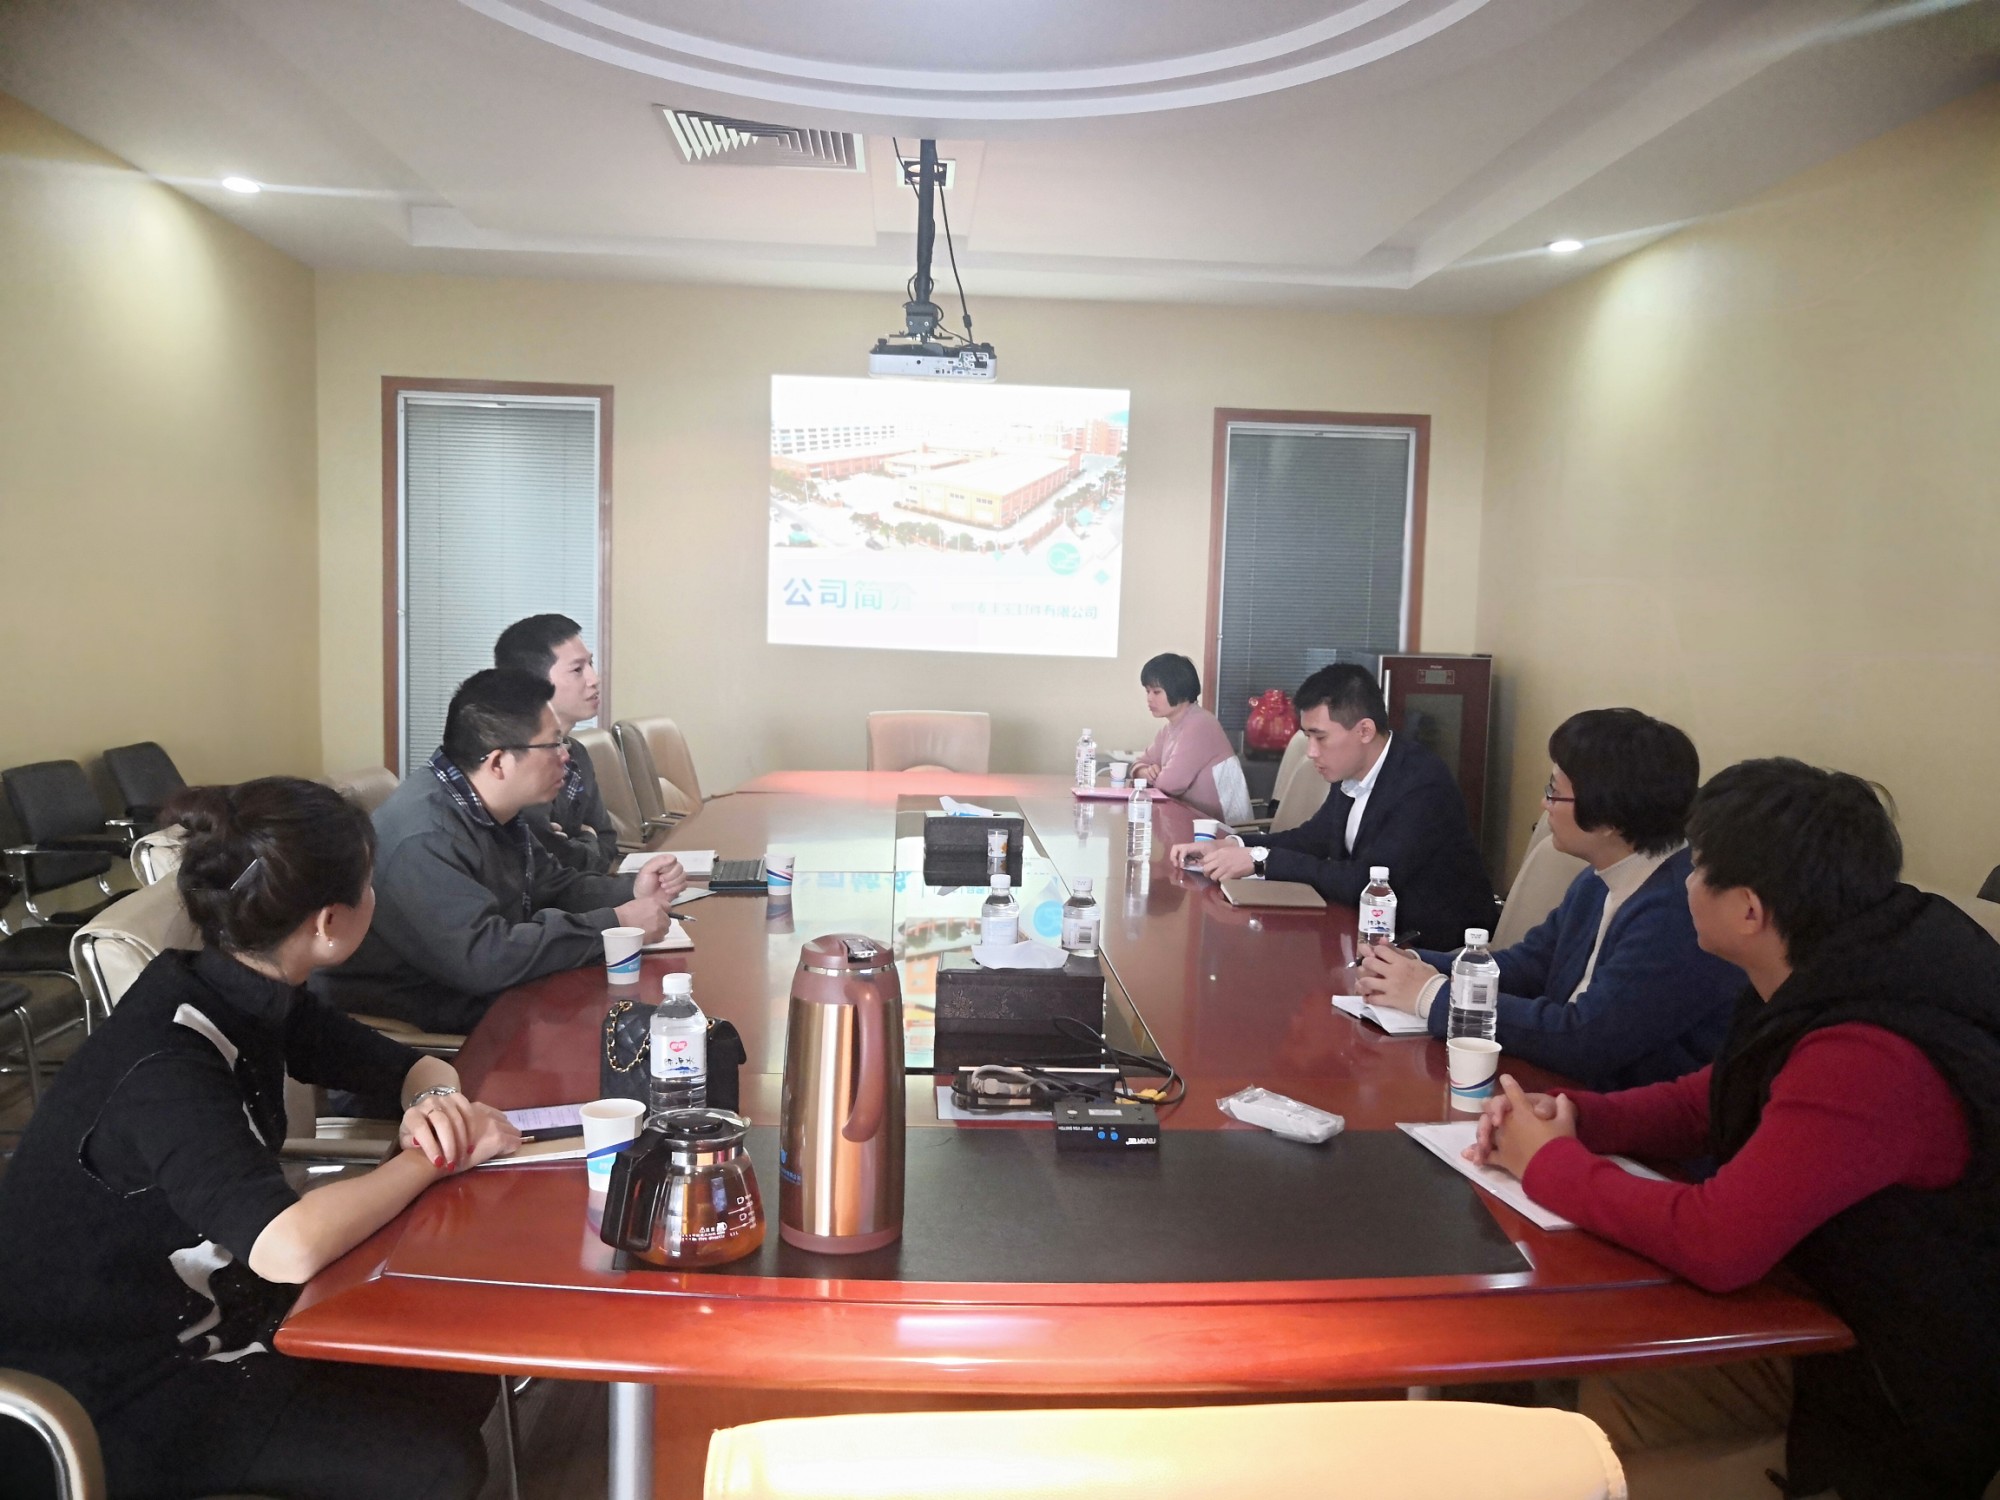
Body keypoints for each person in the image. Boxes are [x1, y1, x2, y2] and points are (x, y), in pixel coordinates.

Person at [1468, 759, 2000, 1500]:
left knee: (1580, 1385)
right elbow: (1718, 1095)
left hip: (1885, 1375)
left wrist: (1547, 1165)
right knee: (1575, 1349)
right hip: (1814, 1293)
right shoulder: (1829, 958)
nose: (1684, 883)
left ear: (1749, 910)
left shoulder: (1869, 1054)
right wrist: (1582, 1118)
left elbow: (1716, 1242)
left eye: (1697, 869)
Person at [0, 777, 522, 1500]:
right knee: (438, 1465)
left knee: (458, 1377)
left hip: (215, 1312)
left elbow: (406, 1065)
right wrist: (433, 1159)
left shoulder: (240, 989)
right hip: (114, 1387)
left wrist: (435, 1103)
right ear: (330, 922)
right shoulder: (166, 1060)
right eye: (371, 884)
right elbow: (287, 1246)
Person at [1356, 708, 1742, 1090]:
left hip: (1622, 1110)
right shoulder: (1597, 880)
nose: (1545, 804)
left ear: (1610, 818)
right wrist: (1413, 963)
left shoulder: (1677, 910)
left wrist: (1434, 996)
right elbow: (1529, 965)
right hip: (1559, 1086)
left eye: (1555, 792)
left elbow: (1584, 1039)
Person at [313, 669, 686, 1035]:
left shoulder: (489, 807)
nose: (566, 757)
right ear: (498, 762)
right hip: (429, 1020)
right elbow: (485, 957)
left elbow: (552, 885)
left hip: (492, 993)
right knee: (628, 1026)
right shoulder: (425, 836)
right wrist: (615, 923)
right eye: (553, 745)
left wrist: (630, 891)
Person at [1170, 664, 1496, 945]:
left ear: (1364, 730)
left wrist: (1260, 860)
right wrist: (1233, 844)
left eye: (1320, 737)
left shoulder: (1421, 784)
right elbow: (1314, 837)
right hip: (1363, 929)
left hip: (1428, 945)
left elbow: (1366, 881)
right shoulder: (1352, 770)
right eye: (1307, 737)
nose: (1311, 751)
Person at [495, 612, 620, 873]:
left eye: (591, 664)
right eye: (577, 669)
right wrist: (587, 838)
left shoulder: (577, 754)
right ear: (533, 683)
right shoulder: (516, 760)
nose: (594, 679)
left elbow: (608, 844)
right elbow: (549, 863)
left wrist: (582, 842)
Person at [1128, 652, 1242, 821]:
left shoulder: (1200, 724)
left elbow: (1170, 785)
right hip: (1190, 820)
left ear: (1178, 690)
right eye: (1147, 691)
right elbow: (1137, 765)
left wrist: (1150, 776)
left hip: (1219, 828)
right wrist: (1146, 772)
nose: (1149, 698)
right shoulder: (1170, 728)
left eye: (1156, 692)